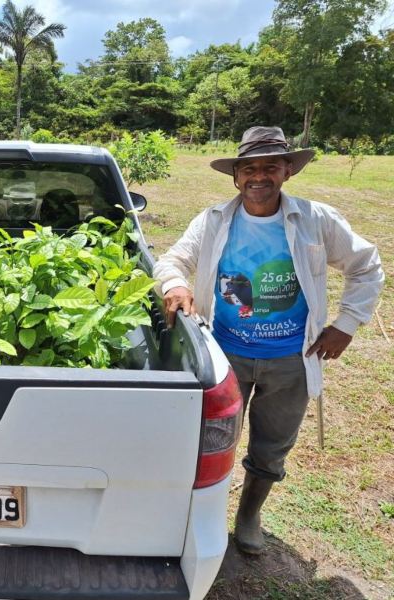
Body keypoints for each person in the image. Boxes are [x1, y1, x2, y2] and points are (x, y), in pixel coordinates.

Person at [153, 126, 384, 554]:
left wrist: (347, 322)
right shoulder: (214, 220)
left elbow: (366, 265)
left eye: (270, 167)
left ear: (287, 172)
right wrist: (174, 285)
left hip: (291, 360)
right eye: (250, 169)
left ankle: (249, 516)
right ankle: (202, 517)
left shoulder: (315, 220)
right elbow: (174, 259)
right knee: (207, 442)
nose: (260, 177)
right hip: (226, 357)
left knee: (272, 447)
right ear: (236, 176)